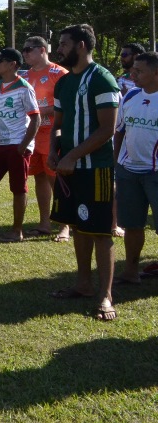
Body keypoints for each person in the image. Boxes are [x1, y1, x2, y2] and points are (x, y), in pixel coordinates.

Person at [47, 24, 121, 322]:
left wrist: (74, 156)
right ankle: (83, 284)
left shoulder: (102, 79)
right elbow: (59, 122)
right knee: (79, 225)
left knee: (101, 232)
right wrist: (54, 150)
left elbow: (108, 128)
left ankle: (106, 295)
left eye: (63, 44)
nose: (59, 50)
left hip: (96, 169)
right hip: (68, 169)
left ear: (79, 45)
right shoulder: (64, 83)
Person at [0, 47, 41, 242]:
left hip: (17, 145)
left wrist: (24, 145)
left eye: (1, 60)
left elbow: (36, 118)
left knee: (18, 188)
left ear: (13, 64)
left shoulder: (24, 87)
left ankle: (17, 230)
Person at [114, 51, 158, 283]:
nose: (133, 74)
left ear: (156, 73)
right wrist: (116, 162)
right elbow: (119, 131)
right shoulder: (130, 96)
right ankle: (131, 272)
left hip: (155, 173)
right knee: (132, 225)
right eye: (133, 70)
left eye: (139, 71)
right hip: (128, 171)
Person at [21, 36, 68, 240]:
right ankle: (44, 223)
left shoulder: (59, 73)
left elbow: (66, 105)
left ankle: (65, 226)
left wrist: (38, 112)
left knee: (57, 180)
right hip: (33, 136)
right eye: (23, 50)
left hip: (53, 135)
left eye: (28, 50)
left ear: (42, 50)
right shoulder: (25, 75)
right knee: (40, 177)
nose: (24, 54)